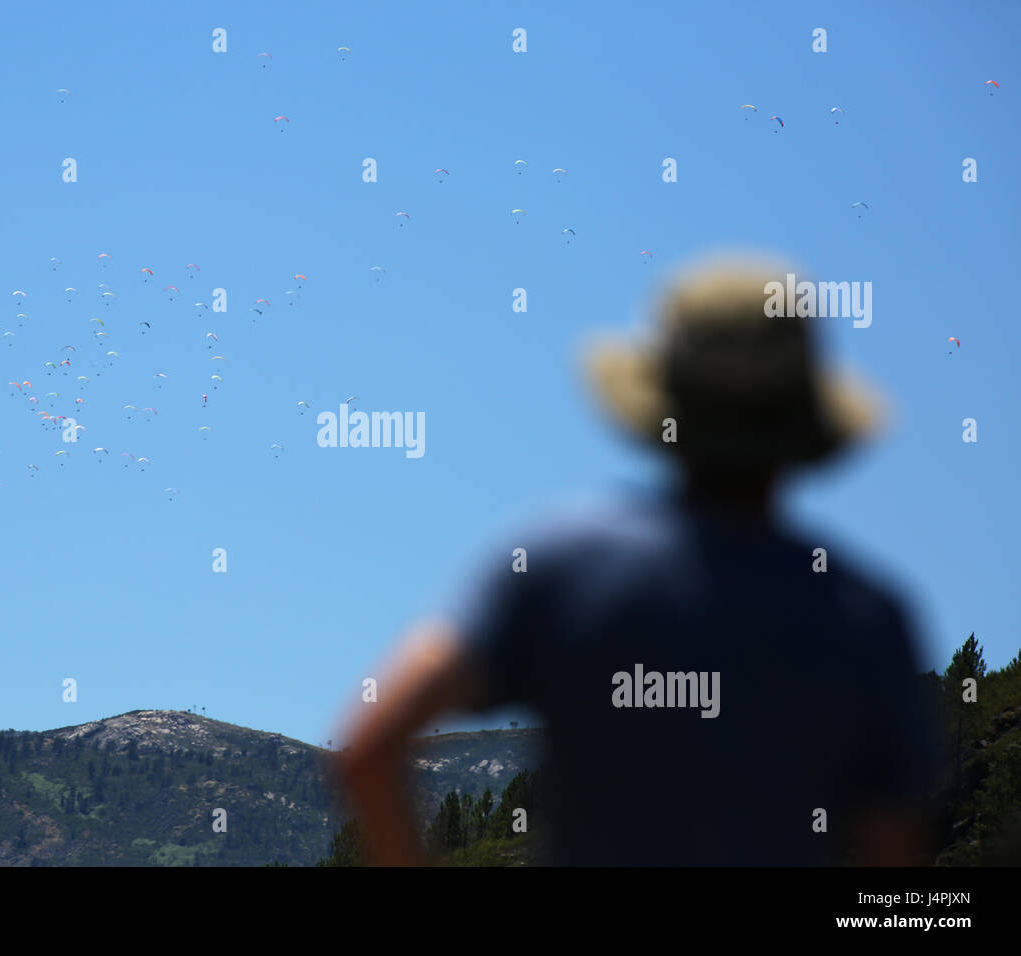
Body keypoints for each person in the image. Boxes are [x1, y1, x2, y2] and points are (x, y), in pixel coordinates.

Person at [335, 254, 938, 866]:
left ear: (664, 398)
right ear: (803, 418)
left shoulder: (557, 562)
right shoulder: (867, 619)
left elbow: (371, 748)